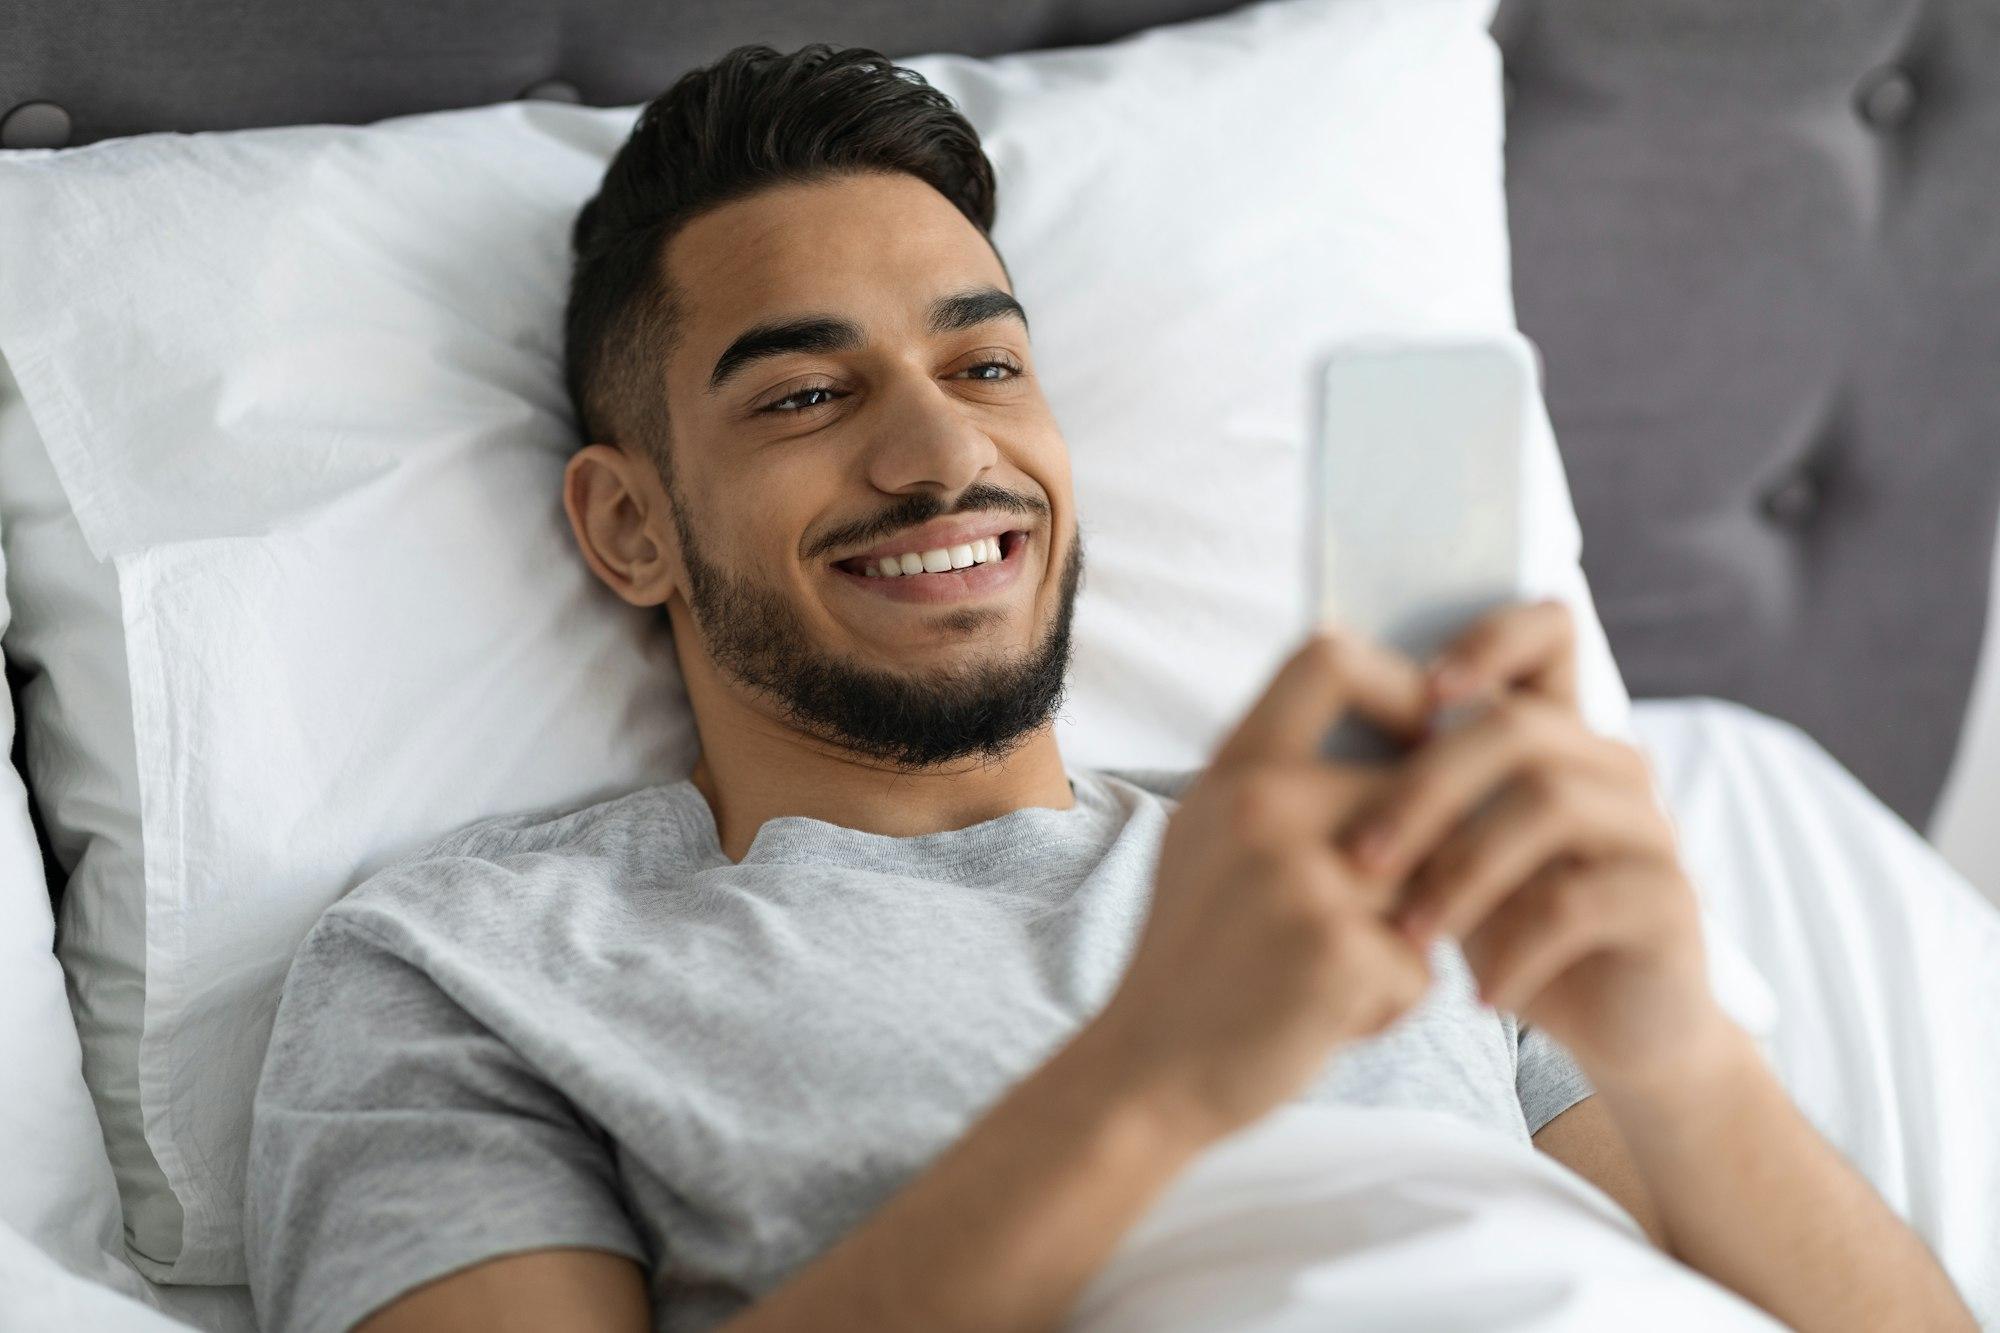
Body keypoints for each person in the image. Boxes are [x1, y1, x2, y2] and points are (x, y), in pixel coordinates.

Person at [242, 42, 1976, 1333]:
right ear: (628, 523)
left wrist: (1677, 1055)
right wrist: (1161, 1067)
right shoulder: (466, 962)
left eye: (986, 362)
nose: (942, 452)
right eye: (800, 398)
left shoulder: (1398, 851)